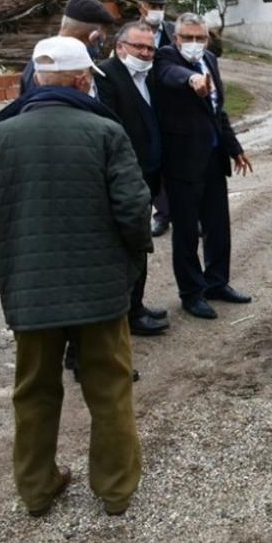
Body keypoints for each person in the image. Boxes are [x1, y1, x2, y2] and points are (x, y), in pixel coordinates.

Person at [0, 36, 150, 518]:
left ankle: (37, 489)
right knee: (109, 387)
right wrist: (130, 265)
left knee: (34, 391)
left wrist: (2, 268)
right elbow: (133, 209)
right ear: (84, 79)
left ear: (38, 79)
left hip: (30, 291)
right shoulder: (106, 131)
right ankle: (115, 490)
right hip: (101, 289)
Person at [153, 13, 253, 319]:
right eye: (188, 38)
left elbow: (217, 110)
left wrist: (234, 148)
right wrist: (191, 79)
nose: (195, 44)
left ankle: (217, 282)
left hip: (212, 158)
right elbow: (170, 74)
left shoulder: (210, 59)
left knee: (218, 225)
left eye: (201, 38)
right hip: (182, 162)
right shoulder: (165, 58)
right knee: (185, 232)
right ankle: (192, 293)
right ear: (176, 38)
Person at [97, 22, 170, 336]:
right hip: (125, 178)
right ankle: (124, 313)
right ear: (120, 46)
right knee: (126, 246)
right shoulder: (105, 77)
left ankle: (135, 305)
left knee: (141, 244)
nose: (145, 53)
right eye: (138, 47)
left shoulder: (151, 75)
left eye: (150, 48)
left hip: (150, 174)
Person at [18, 0, 116, 95]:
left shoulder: (40, 63)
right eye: (100, 41)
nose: (100, 46)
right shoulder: (50, 67)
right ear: (94, 37)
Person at [137, 0, 175, 238]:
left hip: (174, 104)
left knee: (179, 161)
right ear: (141, 7)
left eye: (161, 7)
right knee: (153, 163)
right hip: (145, 102)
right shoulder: (132, 33)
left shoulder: (173, 31)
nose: (157, 12)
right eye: (153, 7)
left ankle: (188, 214)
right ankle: (161, 214)